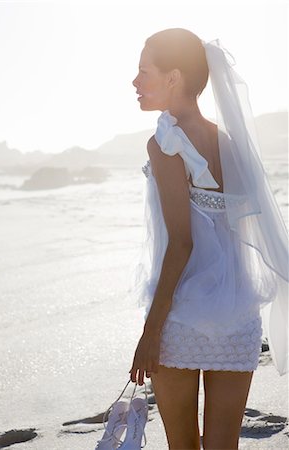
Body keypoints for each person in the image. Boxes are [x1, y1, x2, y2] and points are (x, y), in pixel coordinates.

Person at [128, 28, 289, 450]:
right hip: (239, 317)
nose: (135, 82)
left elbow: (182, 243)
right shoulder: (231, 143)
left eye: (144, 72)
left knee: (183, 445)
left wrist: (151, 330)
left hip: (183, 316)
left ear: (173, 77)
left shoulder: (164, 142)